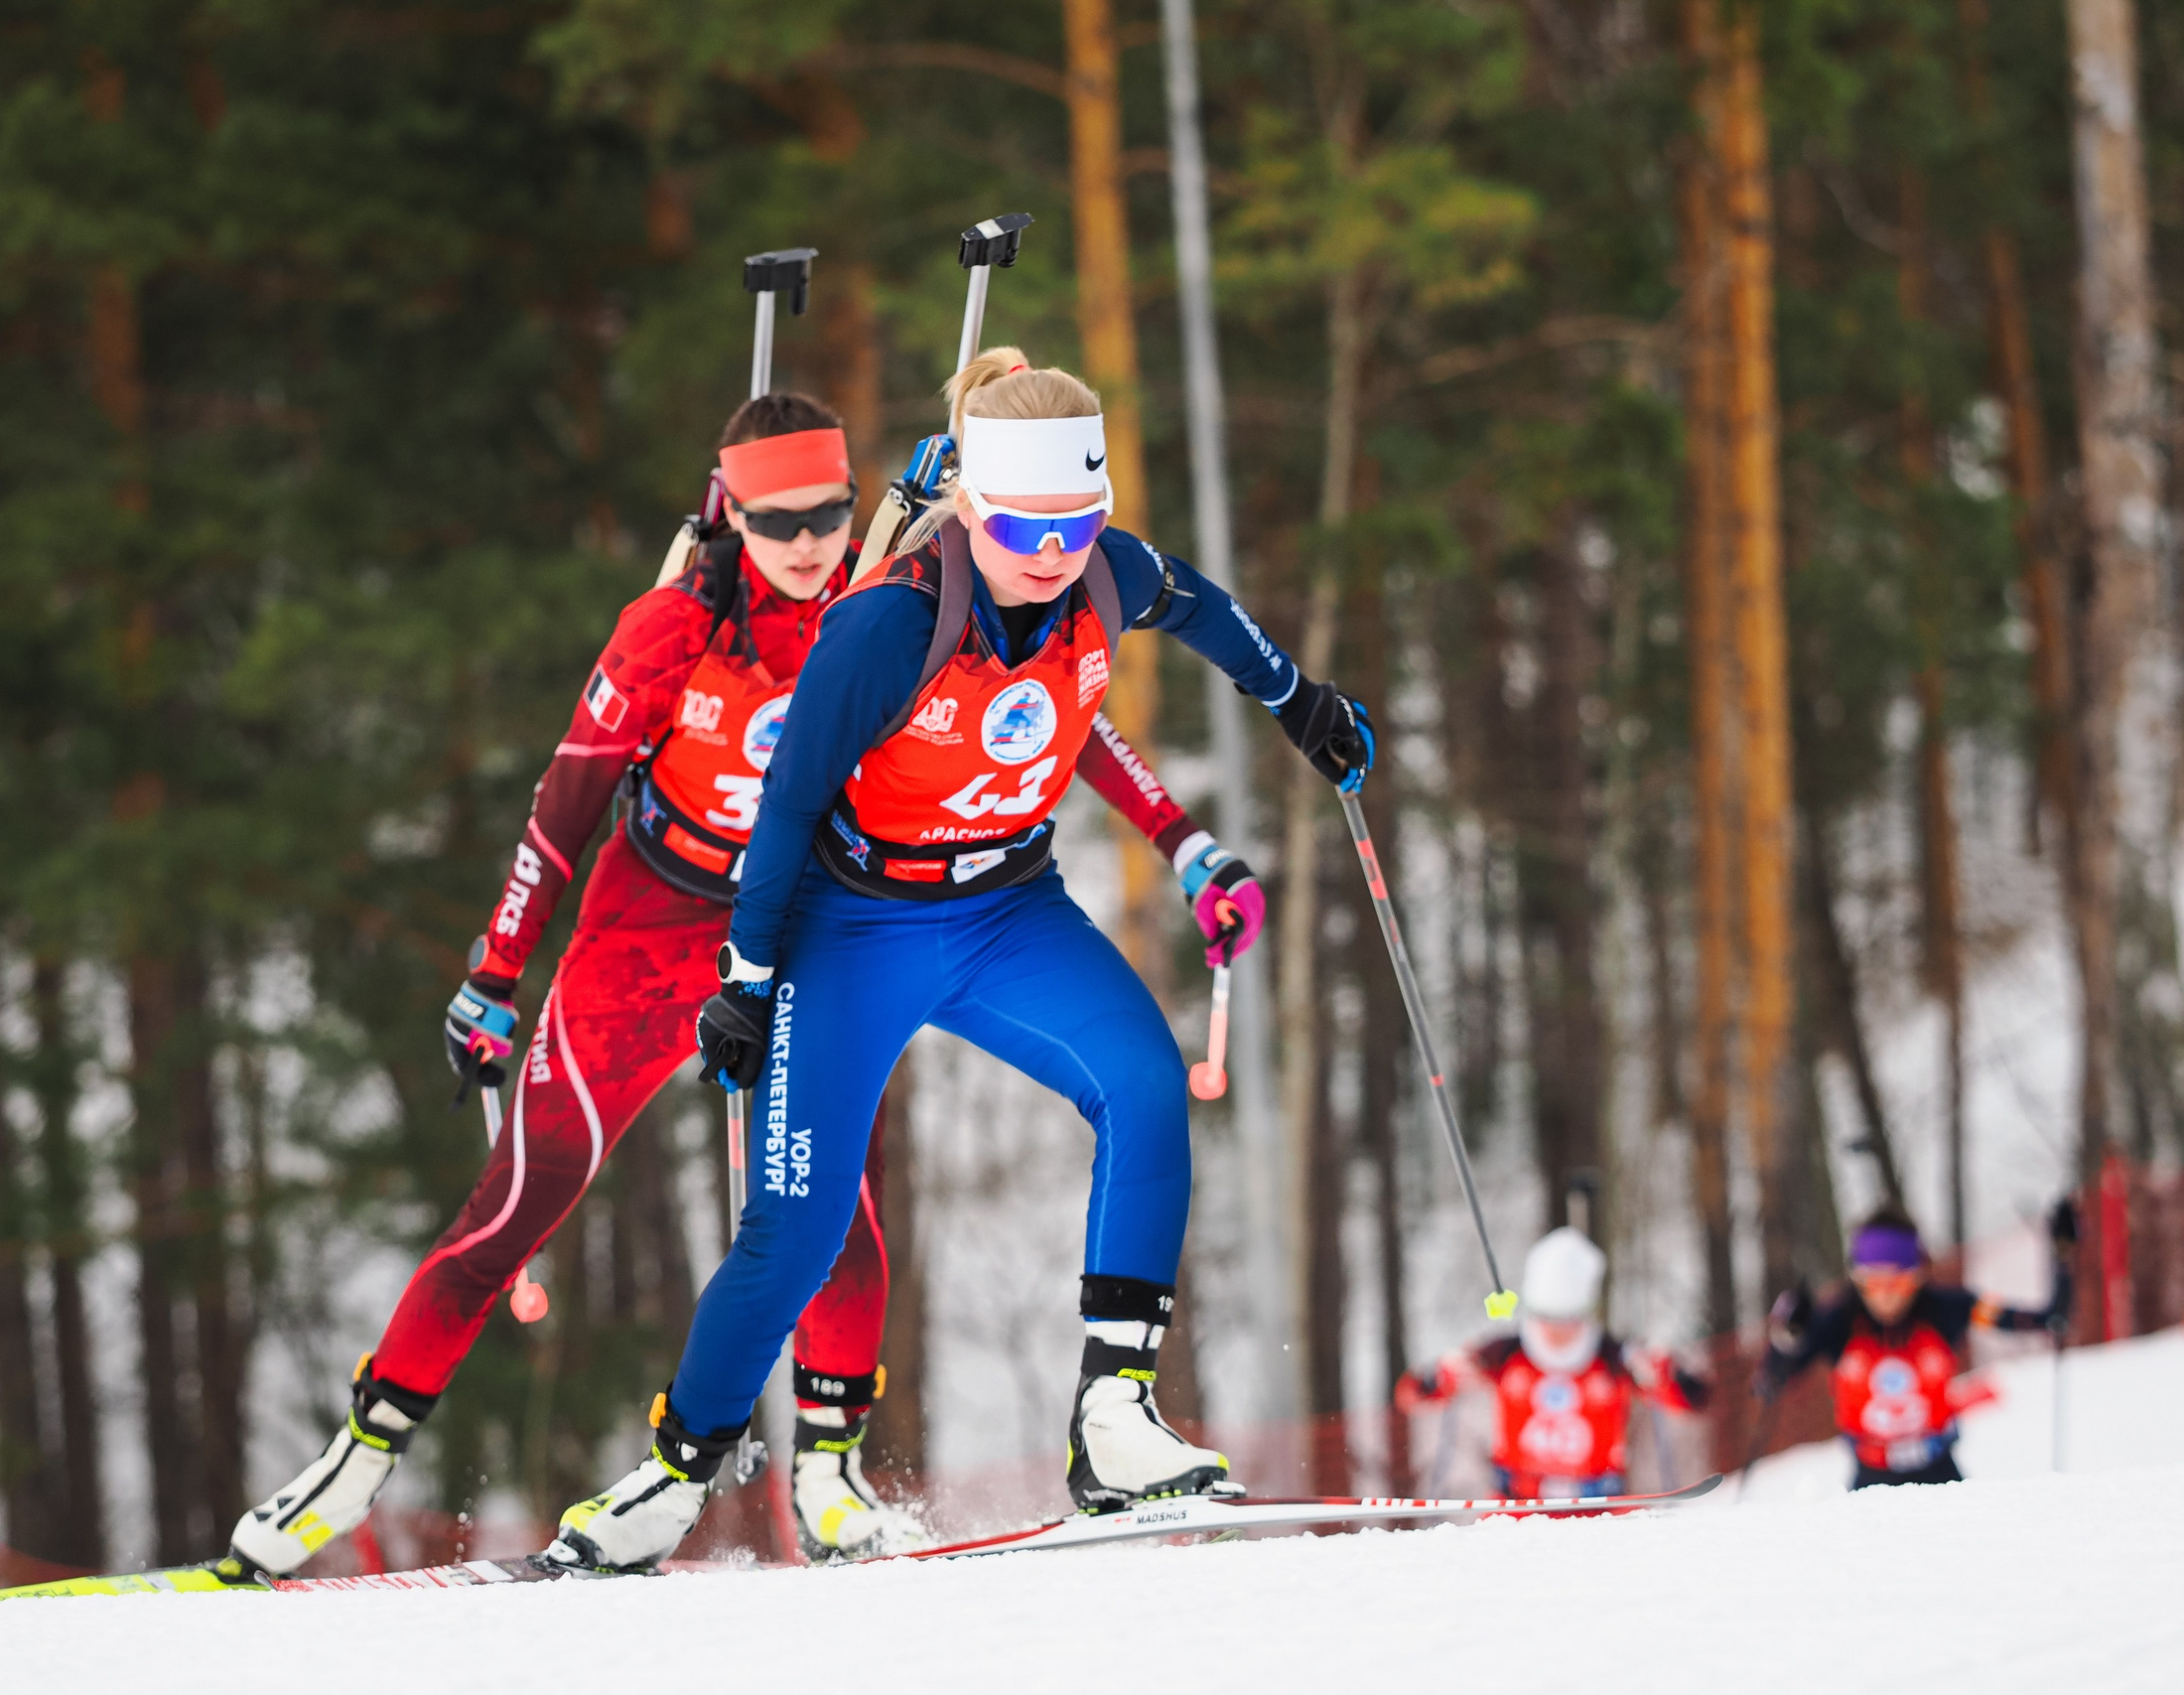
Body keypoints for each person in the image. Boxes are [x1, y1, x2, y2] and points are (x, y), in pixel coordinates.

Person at [225, 392, 1260, 1576]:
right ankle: (356, 1460)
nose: (809, 541)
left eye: (830, 512)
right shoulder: (677, 627)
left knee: (829, 1206)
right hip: (647, 925)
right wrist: (496, 972)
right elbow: (561, 811)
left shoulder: (898, 601)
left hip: (792, 926)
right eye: (777, 522)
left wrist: (1182, 839)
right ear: (732, 514)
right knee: (528, 1192)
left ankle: (827, 1467)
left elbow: (1049, 726)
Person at [537, 348, 1374, 1576]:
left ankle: (1113, 1422)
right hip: (851, 930)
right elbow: (786, 807)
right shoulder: (885, 624)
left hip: (1004, 915)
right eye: (1028, 526)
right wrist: (746, 977)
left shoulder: (1107, 572)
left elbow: (1200, 606)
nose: (1054, 551)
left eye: (1076, 522)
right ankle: (674, 1475)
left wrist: (1296, 697)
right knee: (798, 1231)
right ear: (974, 507)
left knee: (1144, 1088)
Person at [1759, 1203, 2072, 1488]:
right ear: (1857, 1279)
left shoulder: (1947, 1308)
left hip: (1939, 1475)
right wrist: (1788, 1334)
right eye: (1873, 1283)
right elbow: (1773, 1379)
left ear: (1917, 1277)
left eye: (1898, 1283)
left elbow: (2043, 1319)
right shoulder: (1838, 1320)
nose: (1885, 1297)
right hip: (1870, 1483)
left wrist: (2063, 1259)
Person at [1395, 1226, 1708, 1499]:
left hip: (1599, 1508)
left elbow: (1696, 1398)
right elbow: (1410, 1395)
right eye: (1548, 1318)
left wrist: (1665, 1374)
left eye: (1568, 1319)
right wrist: (1444, 1375)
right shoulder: (1503, 1354)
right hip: (1518, 1505)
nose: (1557, 1332)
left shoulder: (1613, 1359)